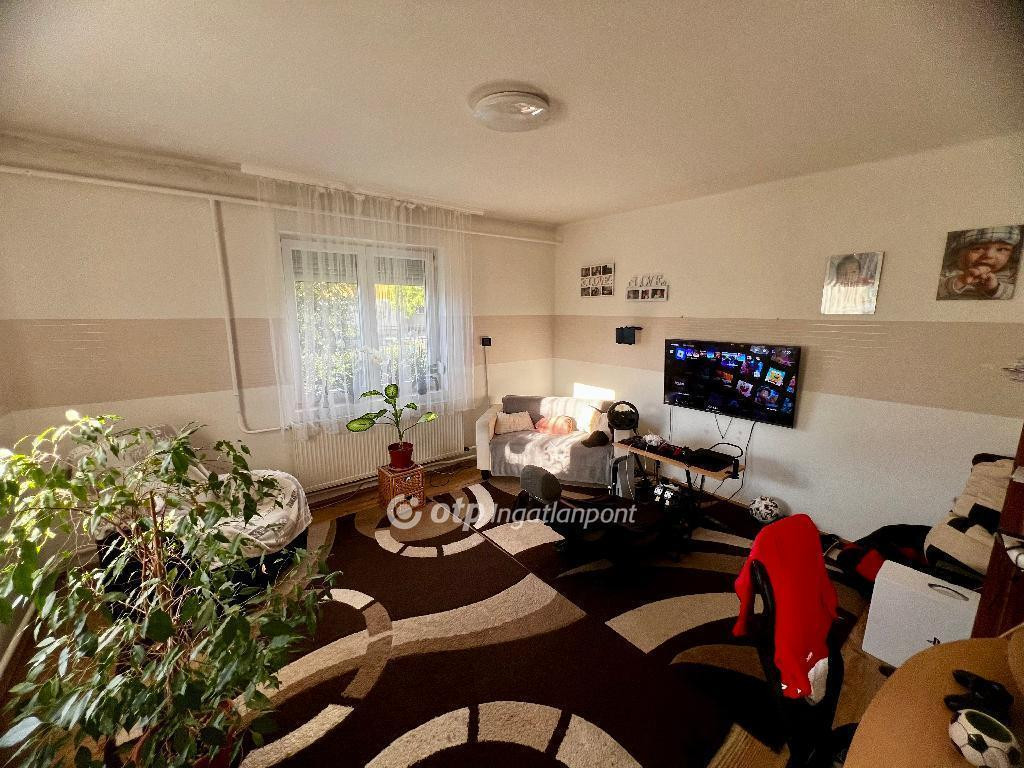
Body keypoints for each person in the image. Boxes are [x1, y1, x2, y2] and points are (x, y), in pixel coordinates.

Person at [937, 226, 1021, 300]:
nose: (989, 255)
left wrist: (994, 289)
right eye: (978, 248)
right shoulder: (949, 270)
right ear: (960, 252)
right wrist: (961, 280)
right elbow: (936, 292)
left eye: (1001, 249)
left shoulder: (1013, 274)